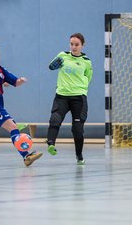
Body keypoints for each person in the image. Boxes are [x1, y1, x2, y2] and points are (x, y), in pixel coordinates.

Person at [46, 33, 93, 165]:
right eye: (71, 44)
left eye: (76, 44)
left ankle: (79, 155)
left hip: (78, 98)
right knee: (55, 119)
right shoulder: (62, 56)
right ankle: (50, 144)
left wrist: (79, 89)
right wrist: (53, 65)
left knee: (77, 129)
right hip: (62, 96)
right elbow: (51, 66)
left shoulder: (86, 62)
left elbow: (88, 77)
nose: (73, 47)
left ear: (82, 45)